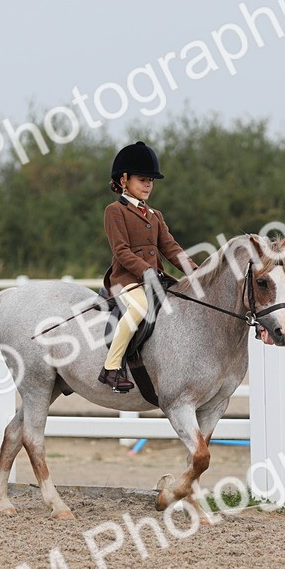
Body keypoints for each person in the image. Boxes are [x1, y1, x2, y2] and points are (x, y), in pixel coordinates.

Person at [99, 141, 197, 393]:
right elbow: (121, 251)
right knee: (138, 309)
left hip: (154, 278)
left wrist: (194, 270)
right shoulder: (114, 211)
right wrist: (146, 271)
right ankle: (111, 367)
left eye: (150, 181)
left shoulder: (155, 215)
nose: (147, 185)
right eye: (142, 180)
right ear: (124, 179)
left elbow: (171, 248)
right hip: (127, 280)